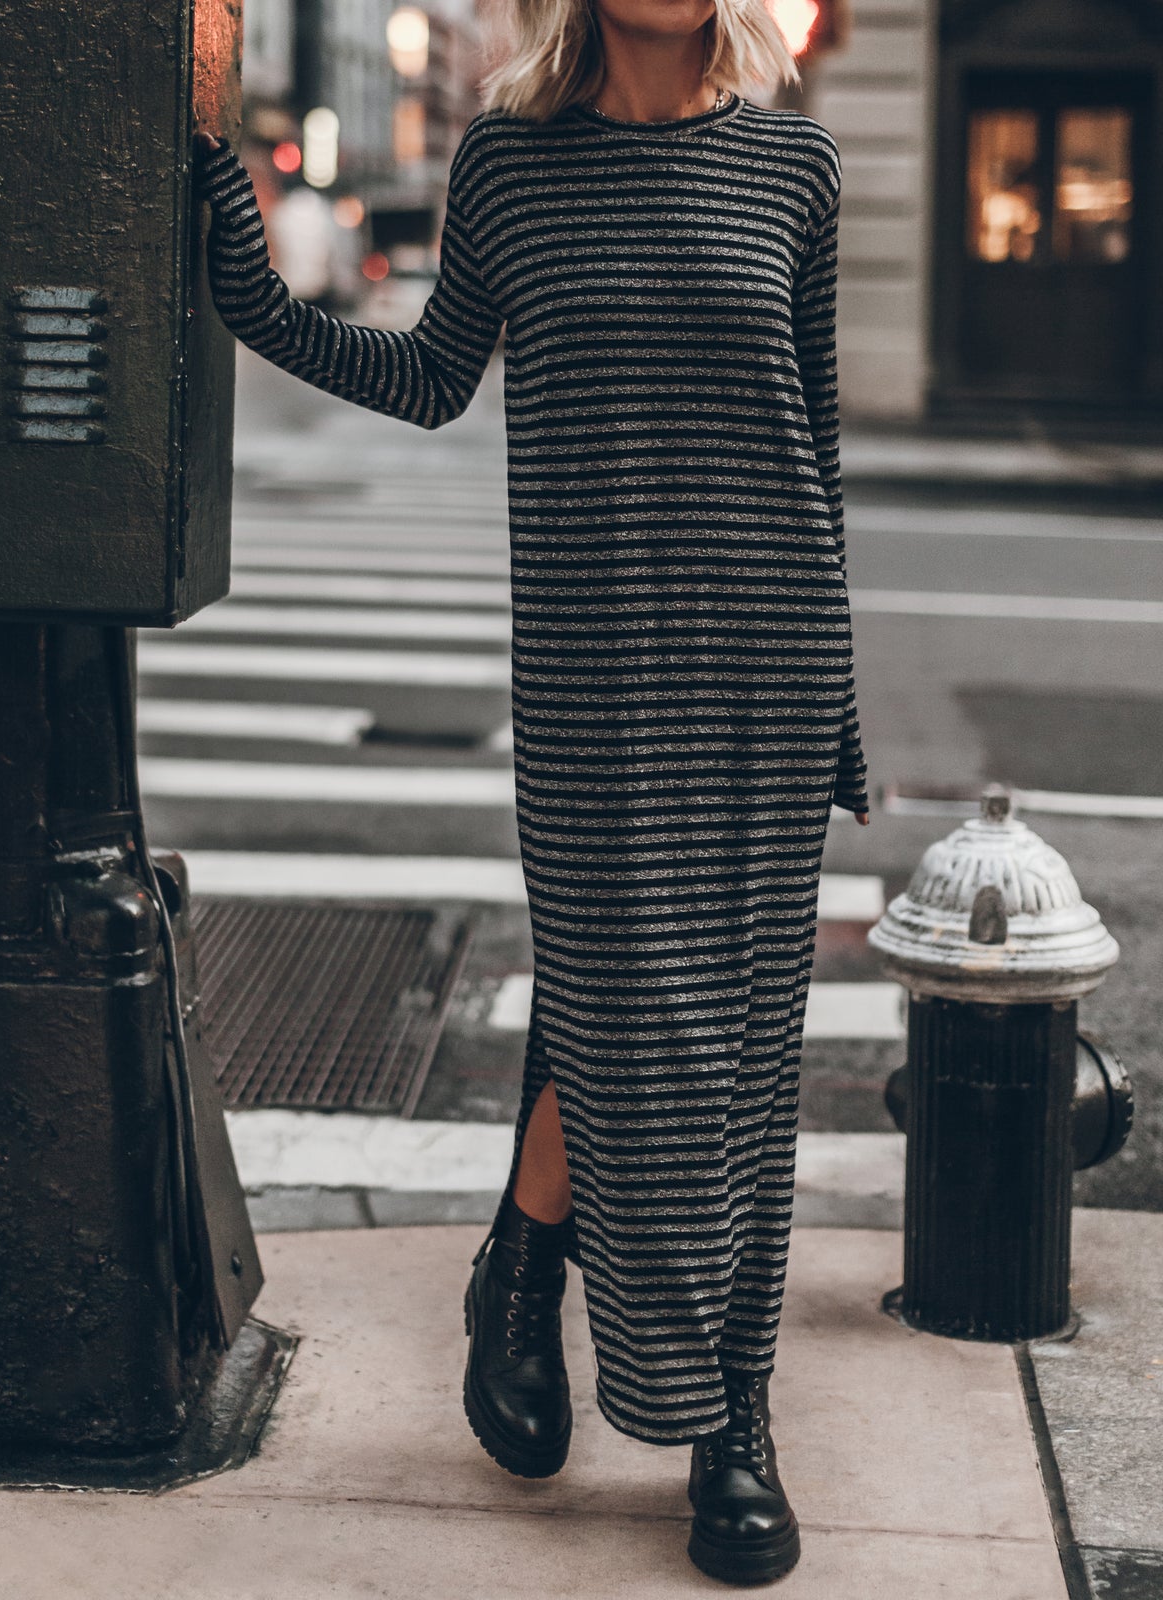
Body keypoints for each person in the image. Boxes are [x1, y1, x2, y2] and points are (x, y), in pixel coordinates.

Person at [195, 0, 870, 1583]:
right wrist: (241, 265)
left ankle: (730, 1423)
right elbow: (431, 377)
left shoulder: (797, 167)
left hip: (767, 653)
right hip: (591, 661)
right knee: (624, 994)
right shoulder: (508, 165)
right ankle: (529, 1249)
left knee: (738, 1043)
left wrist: (835, 701)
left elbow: (813, 442)